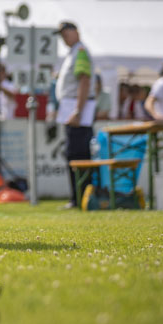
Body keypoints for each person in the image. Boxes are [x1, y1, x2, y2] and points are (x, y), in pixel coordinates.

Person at [53, 21, 95, 209]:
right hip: (71, 108)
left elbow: (84, 81)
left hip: (77, 111)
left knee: (78, 155)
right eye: (61, 34)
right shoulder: (74, 52)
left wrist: (78, 110)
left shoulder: (80, 52)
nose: (63, 38)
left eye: (66, 33)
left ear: (76, 32)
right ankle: (78, 198)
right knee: (74, 154)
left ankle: (81, 199)